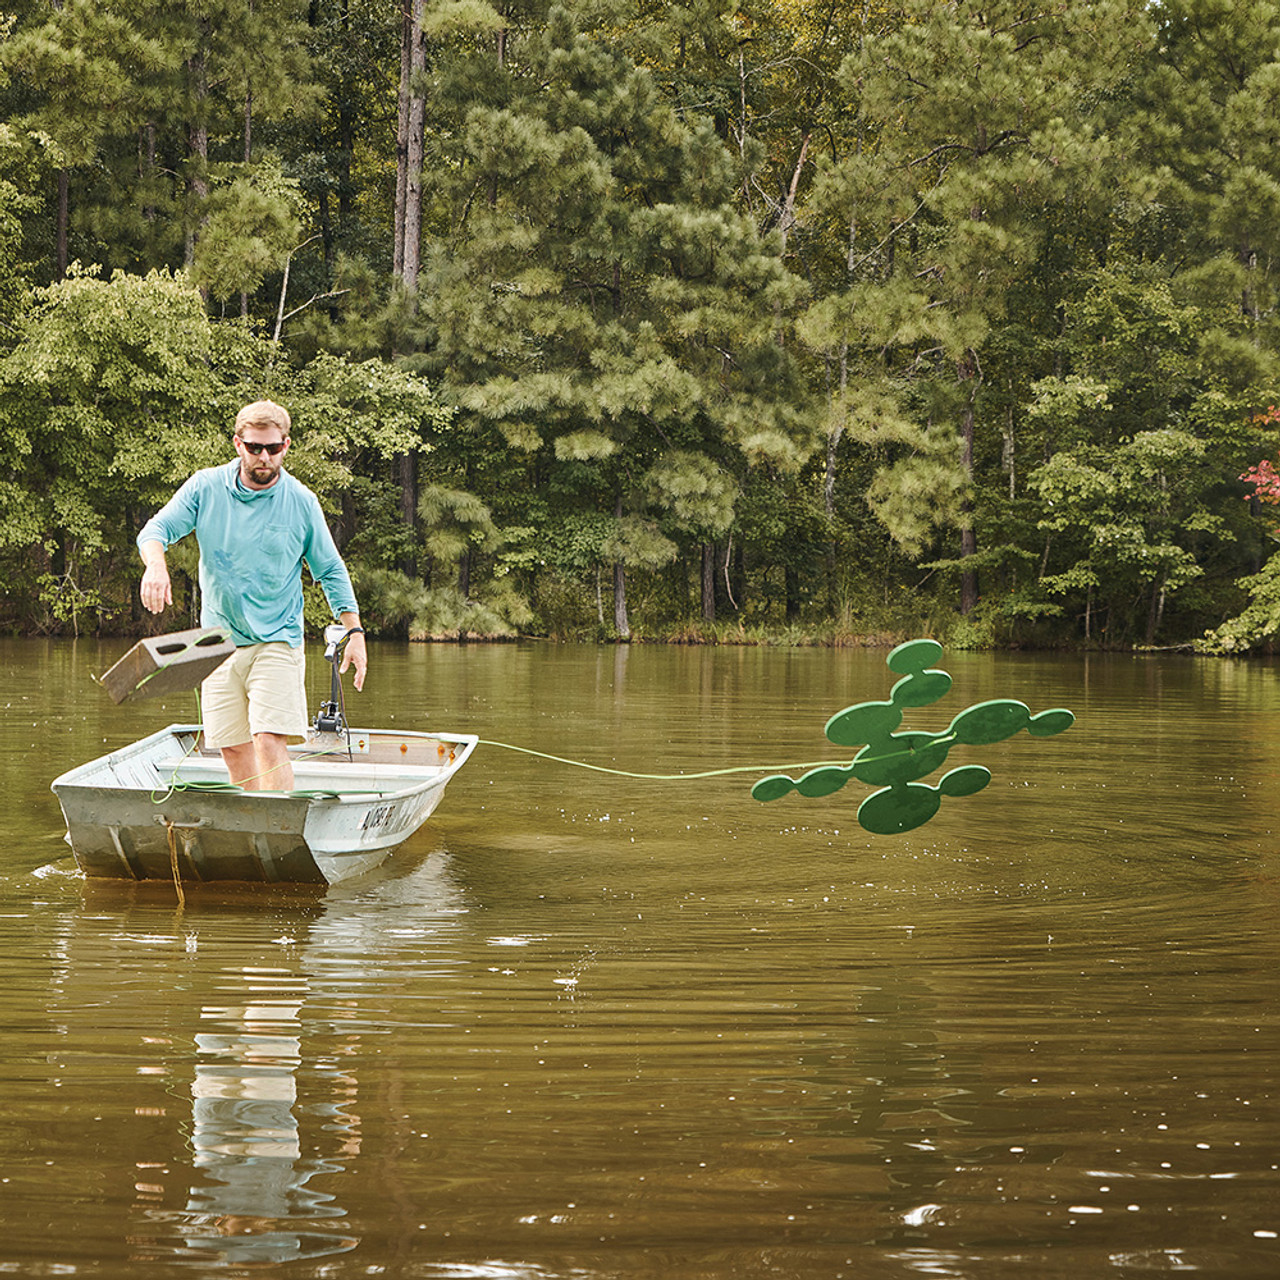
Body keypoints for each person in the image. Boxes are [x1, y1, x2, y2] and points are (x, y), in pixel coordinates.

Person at [137, 399, 367, 791]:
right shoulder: (205, 487)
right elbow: (154, 532)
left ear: (286, 446)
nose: (264, 457)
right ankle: (252, 831)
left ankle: (279, 832)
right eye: (255, 447)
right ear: (238, 445)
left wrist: (355, 633)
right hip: (219, 640)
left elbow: (329, 569)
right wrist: (156, 566)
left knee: (268, 739)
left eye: (273, 448)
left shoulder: (301, 502)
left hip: (277, 639)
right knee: (232, 748)